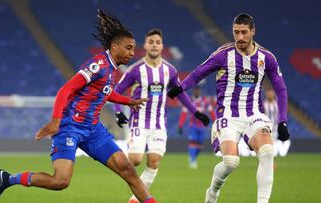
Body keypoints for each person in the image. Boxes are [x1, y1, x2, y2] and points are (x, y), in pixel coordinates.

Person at [0, 10, 158, 203]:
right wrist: (55, 121)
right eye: (128, 48)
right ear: (114, 46)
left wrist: (129, 101)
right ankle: (8, 179)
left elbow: (104, 91)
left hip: (93, 130)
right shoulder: (98, 65)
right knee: (60, 181)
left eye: (133, 49)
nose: (132, 53)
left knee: (128, 170)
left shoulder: (111, 69)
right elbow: (65, 90)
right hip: (70, 127)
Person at [167, 13, 291, 203]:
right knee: (231, 162)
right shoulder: (223, 54)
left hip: (253, 115)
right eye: (236, 32)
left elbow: (281, 89)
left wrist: (282, 121)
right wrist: (181, 87)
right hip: (228, 116)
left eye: (244, 32)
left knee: (267, 151)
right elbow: (198, 73)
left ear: (252, 31)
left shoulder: (266, 58)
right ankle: (213, 192)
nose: (240, 37)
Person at [113, 28, 210, 203]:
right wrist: (118, 112)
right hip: (139, 122)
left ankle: (135, 199)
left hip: (159, 124)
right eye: (151, 42)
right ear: (145, 46)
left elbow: (180, 93)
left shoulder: (170, 70)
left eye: (157, 42)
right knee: (134, 160)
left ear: (162, 46)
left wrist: (196, 112)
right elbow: (117, 91)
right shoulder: (136, 70)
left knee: (154, 162)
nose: (154, 45)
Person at [178, 87, 216, 169]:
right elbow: (184, 113)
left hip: (201, 126)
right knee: (192, 143)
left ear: (200, 91)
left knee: (200, 146)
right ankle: (192, 160)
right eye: (195, 90)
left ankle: (193, 157)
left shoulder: (205, 101)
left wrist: (215, 122)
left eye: (197, 90)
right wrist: (180, 125)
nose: (196, 92)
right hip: (193, 125)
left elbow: (211, 112)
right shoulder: (189, 101)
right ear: (193, 91)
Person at [263, 89, 291, 156]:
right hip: (266, 127)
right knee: (266, 143)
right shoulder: (264, 104)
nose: (269, 95)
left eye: (271, 94)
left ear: (274, 95)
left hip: (275, 127)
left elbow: (282, 114)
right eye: (268, 94)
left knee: (272, 143)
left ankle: (270, 157)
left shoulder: (277, 104)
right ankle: (266, 156)